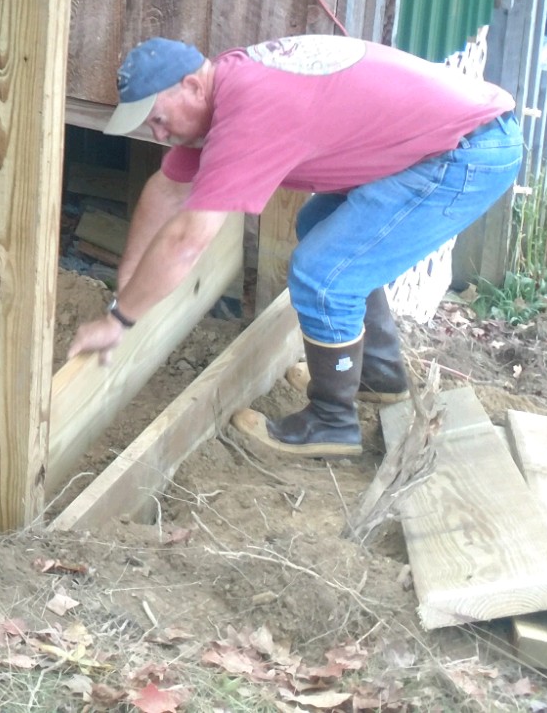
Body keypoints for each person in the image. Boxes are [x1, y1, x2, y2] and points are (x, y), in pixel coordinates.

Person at [65, 33, 523, 461]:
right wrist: (125, 288)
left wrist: (120, 320)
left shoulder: (249, 114)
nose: (159, 135)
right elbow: (166, 189)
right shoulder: (228, 86)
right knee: (319, 223)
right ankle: (376, 377)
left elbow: (187, 240)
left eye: (158, 120)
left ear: (190, 86)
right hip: (454, 136)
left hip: (468, 152)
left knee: (323, 275)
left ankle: (331, 422)